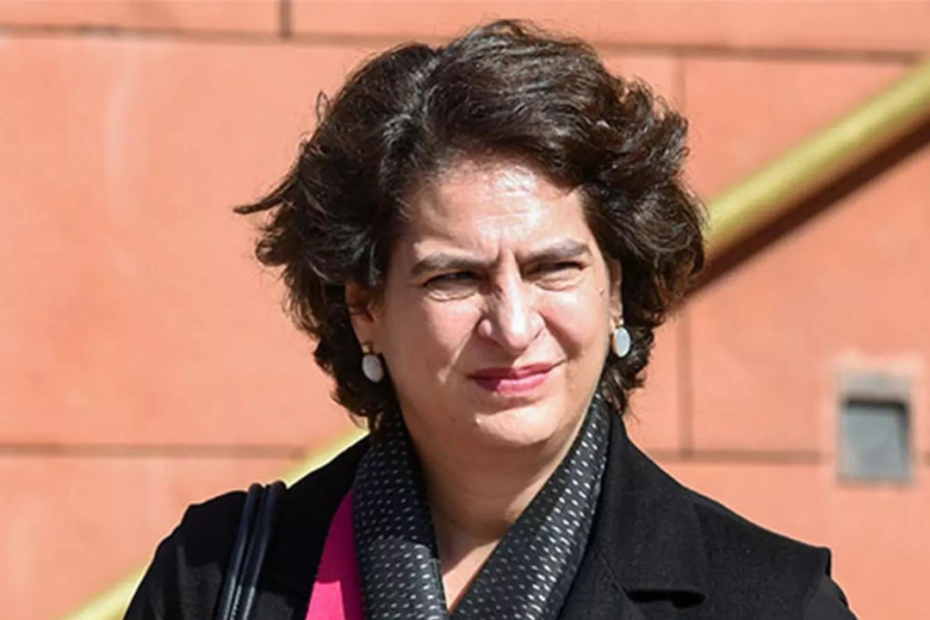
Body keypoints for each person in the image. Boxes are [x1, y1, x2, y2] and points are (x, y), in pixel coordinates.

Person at [125, 19, 857, 620]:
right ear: (365, 308)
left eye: (553, 269)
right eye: (455, 278)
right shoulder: (215, 581)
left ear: (616, 290)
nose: (512, 326)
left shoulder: (770, 603)